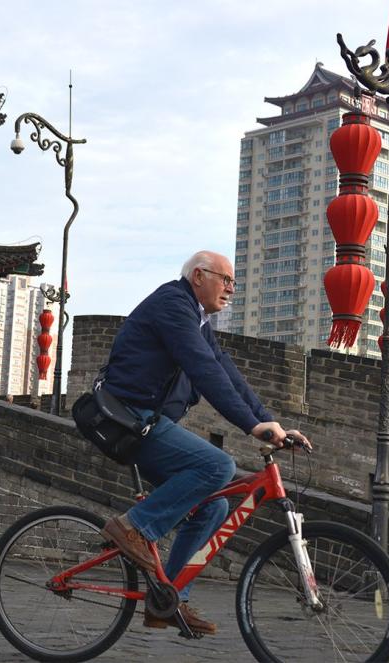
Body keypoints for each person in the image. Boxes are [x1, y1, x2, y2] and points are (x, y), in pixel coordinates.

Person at [97, 250, 311, 636]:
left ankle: (169, 602)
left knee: (214, 509)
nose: (231, 288)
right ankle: (133, 527)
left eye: (233, 282)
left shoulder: (197, 320)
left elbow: (228, 372)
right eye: (225, 279)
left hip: (147, 422)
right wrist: (250, 426)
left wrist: (268, 422)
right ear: (198, 276)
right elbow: (204, 370)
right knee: (217, 466)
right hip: (128, 419)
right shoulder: (173, 306)